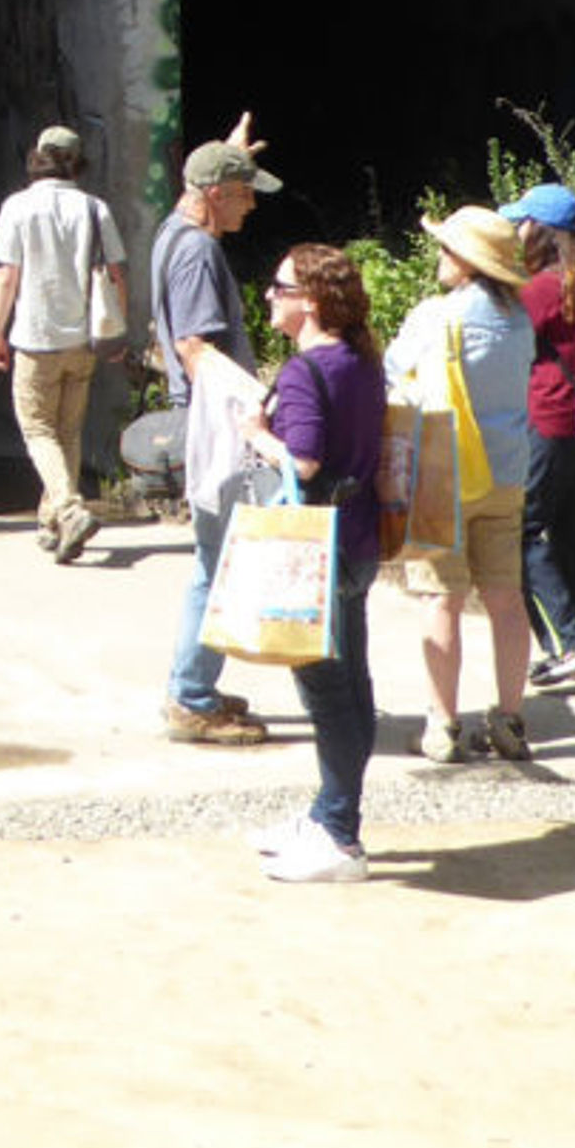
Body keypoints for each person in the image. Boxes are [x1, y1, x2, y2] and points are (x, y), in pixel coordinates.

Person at [242, 243, 392, 884]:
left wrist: (256, 434)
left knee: (328, 696)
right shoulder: (362, 360)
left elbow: (302, 461)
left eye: (279, 288)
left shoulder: (307, 371)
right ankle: (330, 811)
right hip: (357, 541)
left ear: (310, 301)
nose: (269, 296)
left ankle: (340, 835)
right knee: (352, 686)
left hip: (315, 549)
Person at [385, 204, 539, 765]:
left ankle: (443, 725)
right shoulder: (519, 322)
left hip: (442, 472)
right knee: (505, 598)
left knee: (440, 599)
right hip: (506, 474)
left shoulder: (435, 316)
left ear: (468, 262)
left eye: (447, 249)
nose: (439, 257)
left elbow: (394, 372)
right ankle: (510, 719)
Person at [153, 117, 278, 743]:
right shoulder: (199, 251)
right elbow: (194, 346)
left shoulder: (177, 231)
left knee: (216, 560)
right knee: (216, 563)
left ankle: (192, 684)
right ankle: (191, 697)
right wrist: (261, 404)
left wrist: (227, 155)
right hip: (220, 423)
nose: (252, 206)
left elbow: (204, 176)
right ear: (214, 195)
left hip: (205, 419)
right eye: (244, 192)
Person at [0, 123, 129, 561]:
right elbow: (116, 275)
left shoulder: (18, 207)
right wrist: (117, 331)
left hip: (35, 336)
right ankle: (51, 522)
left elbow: (7, 275)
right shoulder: (95, 209)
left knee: (38, 429)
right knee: (67, 430)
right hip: (82, 340)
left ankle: (67, 510)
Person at [506, 181, 575, 687]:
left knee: (520, 530)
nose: (514, 231)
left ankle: (567, 642)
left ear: (540, 230)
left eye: (521, 222)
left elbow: (506, 338)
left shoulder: (541, 288)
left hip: (547, 421)